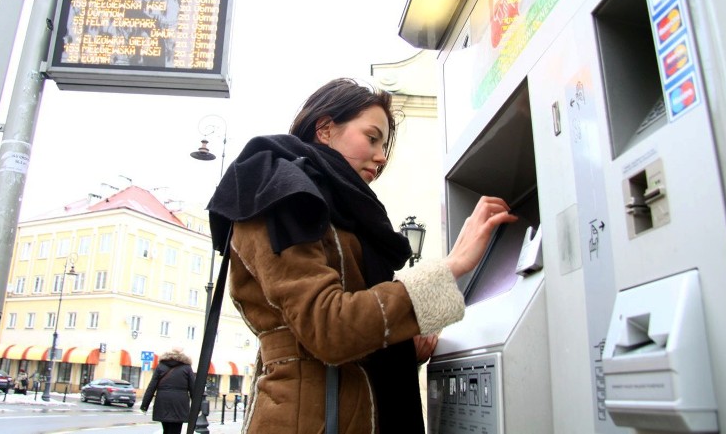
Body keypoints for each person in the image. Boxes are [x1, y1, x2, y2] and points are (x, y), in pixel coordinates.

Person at [207, 78, 516, 433]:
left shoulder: (345, 211)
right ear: (325, 129)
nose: (382, 156)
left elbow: (352, 323)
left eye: (385, 145)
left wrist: (399, 343)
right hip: (310, 420)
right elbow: (326, 328)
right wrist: (451, 266)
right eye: (372, 138)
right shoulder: (279, 191)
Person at [140, 349, 195, 434]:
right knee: (176, 429)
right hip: (179, 403)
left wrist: (144, 405)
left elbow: (152, 386)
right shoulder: (187, 368)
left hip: (162, 401)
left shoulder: (161, 366)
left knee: (166, 429)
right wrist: (198, 407)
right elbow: (193, 388)